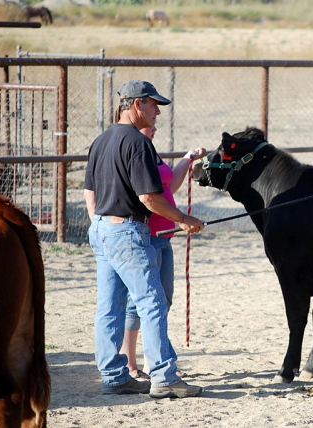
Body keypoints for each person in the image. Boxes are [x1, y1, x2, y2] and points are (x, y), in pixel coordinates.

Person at [84, 80, 205, 398]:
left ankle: (113, 375)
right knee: (152, 303)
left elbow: (90, 189)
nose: (157, 113)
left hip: (102, 229)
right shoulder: (138, 143)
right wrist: (184, 220)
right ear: (137, 104)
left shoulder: (101, 140)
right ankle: (164, 376)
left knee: (109, 308)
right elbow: (150, 198)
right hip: (127, 231)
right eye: (154, 105)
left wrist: (101, 223)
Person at [119, 124, 206, 381]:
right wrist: (181, 218)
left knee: (162, 300)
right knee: (140, 303)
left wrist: (187, 159)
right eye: (151, 123)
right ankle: (130, 363)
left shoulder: (151, 152)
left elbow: (169, 185)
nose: (156, 126)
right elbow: (148, 197)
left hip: (165, 237)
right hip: (147, 236)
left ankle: (157, 360)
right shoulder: (136, 152)